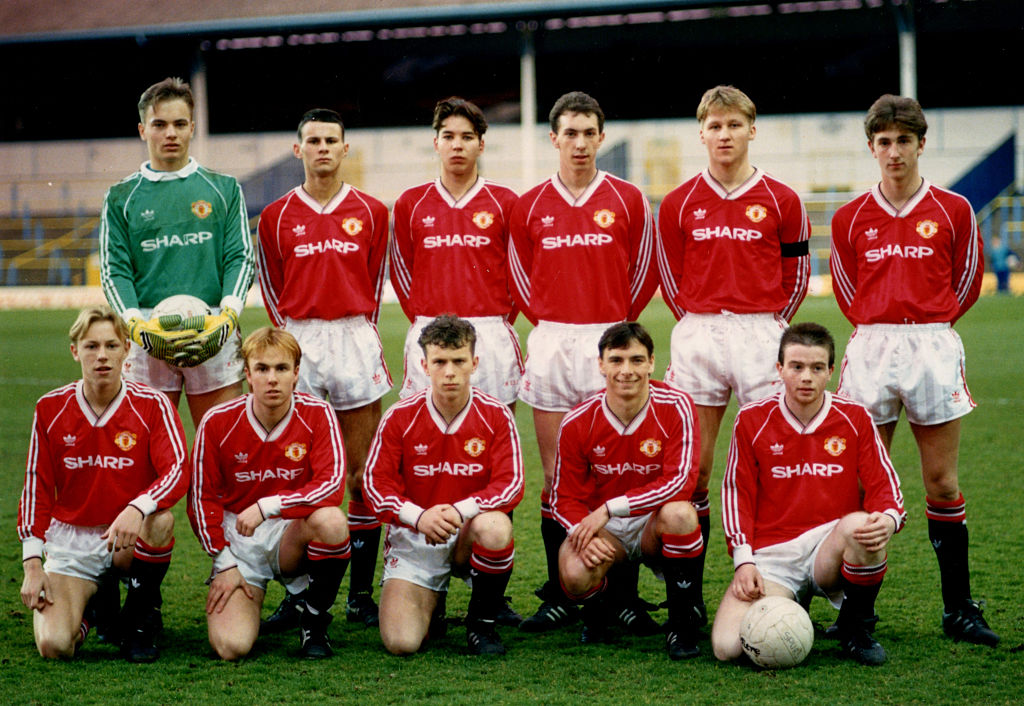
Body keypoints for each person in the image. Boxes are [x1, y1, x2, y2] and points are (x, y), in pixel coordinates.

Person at [830, 94, 997, 647]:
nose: (894, 151)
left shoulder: (953, 210)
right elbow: (849, 290)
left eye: (904, 140)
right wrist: (881, 326)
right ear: (871, 148)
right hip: (872, 345)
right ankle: (857, 613)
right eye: (884, 142)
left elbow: (966, 283)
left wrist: (929, 325)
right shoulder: (850, 216)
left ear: (921, 144)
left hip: (931, 344)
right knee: (862, 485)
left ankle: (959, 609)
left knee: (941, 482)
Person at [656, 85, 810, 621]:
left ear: (752, 129)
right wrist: (701, 322)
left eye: (734, 125)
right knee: (694, 467)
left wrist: (768, 325)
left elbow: (796, 275)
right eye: (714, 126)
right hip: (698, 332)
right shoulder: (678, 202)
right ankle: (691, 596)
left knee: (772, 461)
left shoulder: (782, 199)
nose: (724, 135)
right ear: (701, 133)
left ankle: (778, 581)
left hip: (761, 333)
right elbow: (670, 278)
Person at [508, 91, 658, 632]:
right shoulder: (527, 206)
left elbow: (644, 271)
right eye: (568, 133)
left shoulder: (628, 199)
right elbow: (520, 278)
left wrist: (613, 326)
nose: (578, 142)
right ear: (554, 139)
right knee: (557, 477)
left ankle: (622, 595)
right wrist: (553, 320)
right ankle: (561, 590)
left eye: (586, 132)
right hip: (552, 340)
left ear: (600, 136)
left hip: (609, 341)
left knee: (620, 471)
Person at [256, 108, 390, 632]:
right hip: (301, 337)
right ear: (298, 150)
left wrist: (356, 330)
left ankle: (359, 594)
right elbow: (271, 286)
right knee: (300, 475)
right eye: (312, 141)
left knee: (360, 476)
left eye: (331, 140)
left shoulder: (374, 211)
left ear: (345, 148)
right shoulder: (275, 216)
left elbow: (377, 279)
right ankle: (300, 592)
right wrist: (292, 339)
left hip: (354, 334)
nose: (323, 149)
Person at [712, 323, 906, 666]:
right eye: (797, 367)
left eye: (817, 368)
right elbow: (735, 493)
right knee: (727, 647)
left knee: (863, 526)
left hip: (827, 548)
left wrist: (889, 519)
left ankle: (855, 627)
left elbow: (883, 483)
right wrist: (744, 560)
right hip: (773, 556)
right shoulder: (752, 419)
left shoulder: (854, 417)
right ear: (780, 369)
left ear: (830, 371)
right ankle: (790, 602)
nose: (806, 377)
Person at [18, 306, 189, 662]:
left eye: (111, 345)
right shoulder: (50, 408)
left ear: (127, 349)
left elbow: (177, 469)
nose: (102, 356)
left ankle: (140, 622)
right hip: (71, 542)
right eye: (91, 345)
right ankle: (93, 611)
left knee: (160, 521)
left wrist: (137, 506)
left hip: (127, 535)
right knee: (55, 646)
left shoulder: (153, 405)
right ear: (74, 350)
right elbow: (36, 486)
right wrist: (32, 565)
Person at [363, 316, 524, 655]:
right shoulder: (400, 416)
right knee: (402, 643)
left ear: (474, 363)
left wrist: (458, 511)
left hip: (467, 534)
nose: (449, 371)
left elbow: (511, 484)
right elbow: (375, 485)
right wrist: (418, 517)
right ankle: (432, 600)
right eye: (439, 362)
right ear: (424, 365)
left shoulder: (496, 415)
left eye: (458, 361)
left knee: (495, 527)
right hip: (415, 539)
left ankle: (481, 625)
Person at [99, 76, 255, 427]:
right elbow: (114, 271)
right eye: (160, 124)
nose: (170, 133)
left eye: (179, 124)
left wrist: (227, 316)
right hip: (148, 332)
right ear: (143, 130)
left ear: (192, 128)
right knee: (147, 453)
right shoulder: (121, 197)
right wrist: (135, 324)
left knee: (222, 447)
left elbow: (240, 257)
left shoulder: (223, 188)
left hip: (214, 327)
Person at [188, 327, 350, 660]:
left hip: (290, 531)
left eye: (281, 368)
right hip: (239, 542)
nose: (272, 378)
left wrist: (269, 505)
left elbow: (332, 484)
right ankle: (282, 592)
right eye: (262, 368)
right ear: (247, 374)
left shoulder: (318, 414)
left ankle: (313, 622)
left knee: (333, 523)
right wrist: (224, 563)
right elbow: (200, 500)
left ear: (296, 374)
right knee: (231, 646)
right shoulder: (217, 421)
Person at [550, 322, 703, 659]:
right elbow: (565, 497)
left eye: (636, 360)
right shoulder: (578, 420)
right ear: (601, 365)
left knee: (681, 514)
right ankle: (600, 613)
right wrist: (582, 531)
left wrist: (611, 507)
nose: (626, 371)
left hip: (654, 522)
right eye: (616, 360)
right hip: (609, 532)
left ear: (651, 362)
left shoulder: (676, 406)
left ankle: (681, 627)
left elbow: (681, 481)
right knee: (575, 572)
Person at [390, 96, 522, 407]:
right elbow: (401, 272)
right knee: (426, 435)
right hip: (430, 334)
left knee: (495, 433)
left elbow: (518, 275)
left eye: (467, 137)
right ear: (436, 143)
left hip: (490, 333)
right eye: (449, 136)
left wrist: (498, 320)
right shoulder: (411, 203)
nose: (457, 145)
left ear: (481, 145)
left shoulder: (505, 203)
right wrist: (428, 320)